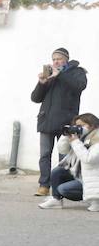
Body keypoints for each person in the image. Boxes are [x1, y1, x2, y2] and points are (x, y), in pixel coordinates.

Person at [31, 48, 88, 197]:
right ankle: (44, 185)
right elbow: (36, 98)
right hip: (46, 121)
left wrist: (60, 75)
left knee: (64, 157)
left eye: (59, 59)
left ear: (66, 59)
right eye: (54, 59)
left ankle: (61, 187)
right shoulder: (50, 75)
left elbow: (79, 86)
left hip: (66, 122)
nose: (56, 61)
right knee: (44, 155)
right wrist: (41, 83)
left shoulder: (77, 72)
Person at [38, 113, 99, 210]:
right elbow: (62, 150)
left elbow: (88, 159)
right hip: (82, 175)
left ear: (92, 125)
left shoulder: (97, 138)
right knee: (57, 172)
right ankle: (56, 200)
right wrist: (67, 136)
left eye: (81, 126)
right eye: (76, 126)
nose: (78, 128)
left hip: (94, 180)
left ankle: (95, 200)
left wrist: (75, 142)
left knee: (64, 189)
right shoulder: (82, 137)